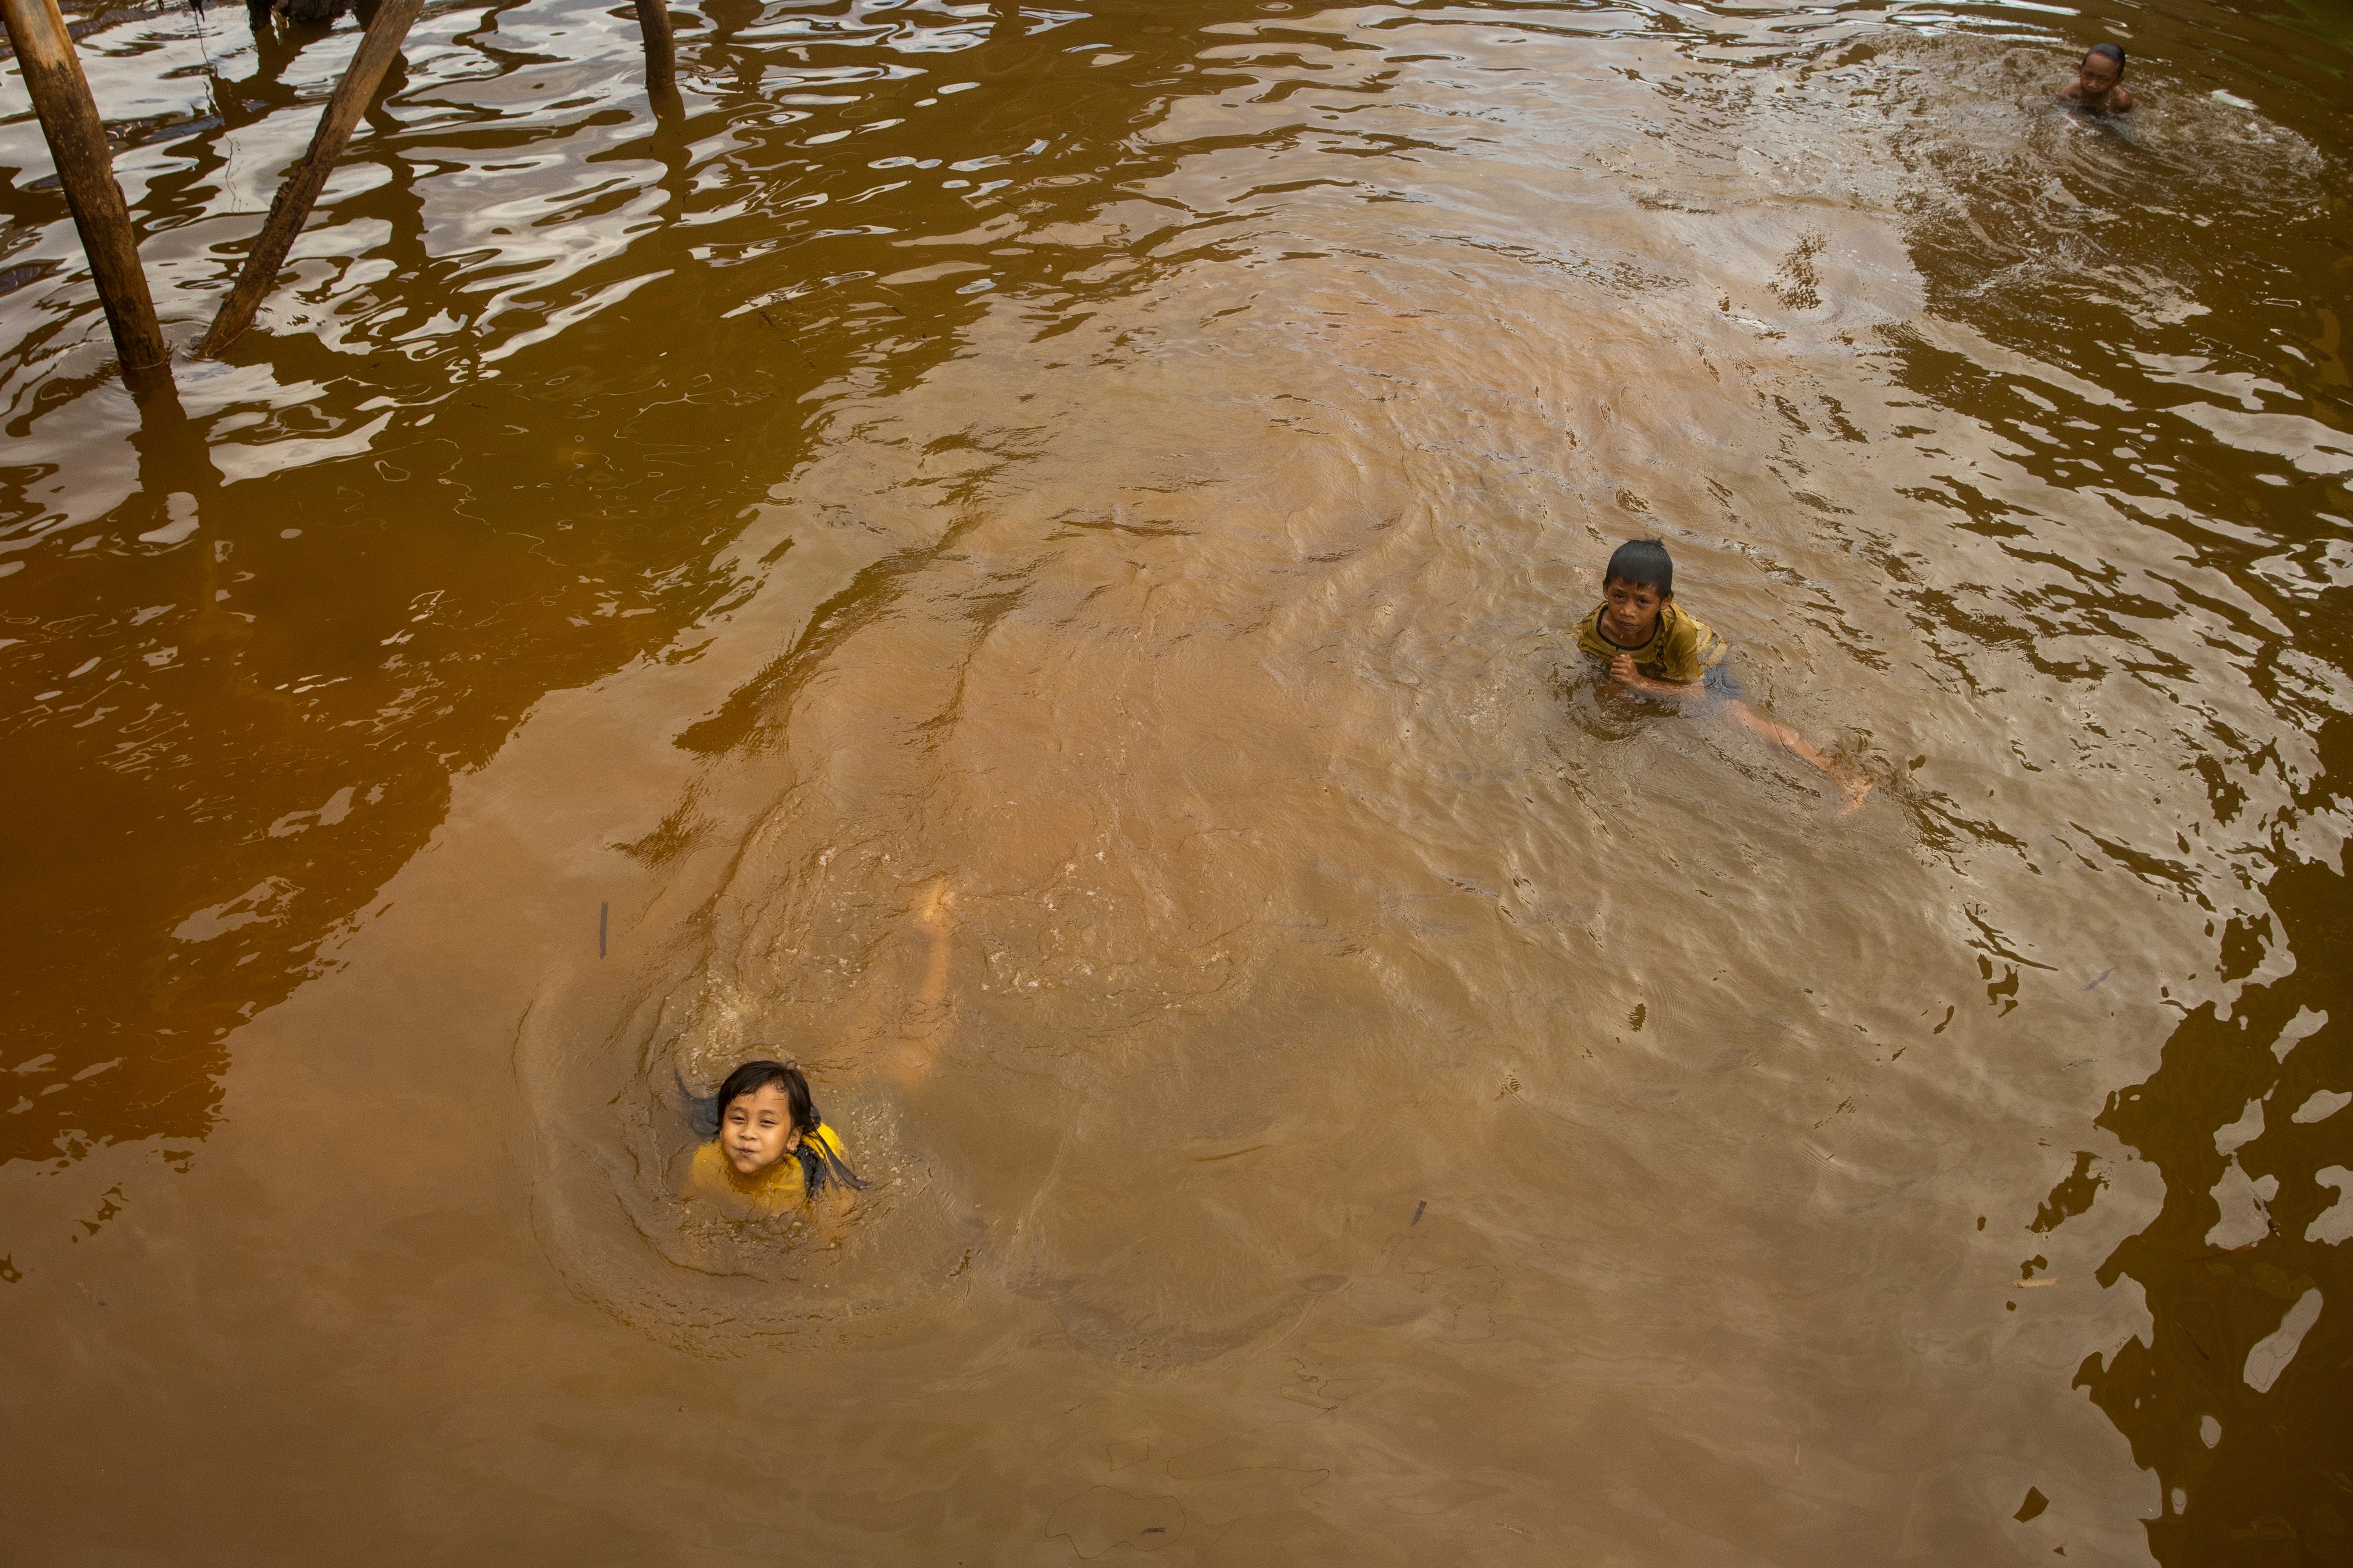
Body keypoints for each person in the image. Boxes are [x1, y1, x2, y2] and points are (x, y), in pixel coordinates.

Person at [1577, 537, 1871, 813]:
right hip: (1661, 662)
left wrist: (1640, 682)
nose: (1627, 611)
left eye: (1642, 602)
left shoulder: (1679, 633)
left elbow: (1695, 694)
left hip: (1704, 659)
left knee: (1737, 717)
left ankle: (1839, 774)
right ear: (1605, 590)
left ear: (1665, 602)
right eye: (1618, 597)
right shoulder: (1594, 626)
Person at [684, 1059, 866, 1214]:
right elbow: (690, 1205)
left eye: (766, 1123)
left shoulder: (812, 1173)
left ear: (793, 1138)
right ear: (722, 1128)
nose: (748, 1133)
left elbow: (837, 1223)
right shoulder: (707, 1161)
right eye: (738, 1119)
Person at [2060, 43, 2132, 114]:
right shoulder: (2069, 93)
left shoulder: (2121, 103)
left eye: (2103, 80)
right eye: (2088, 75)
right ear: (2080, 71)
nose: (2093, 84)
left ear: (2117, 82)